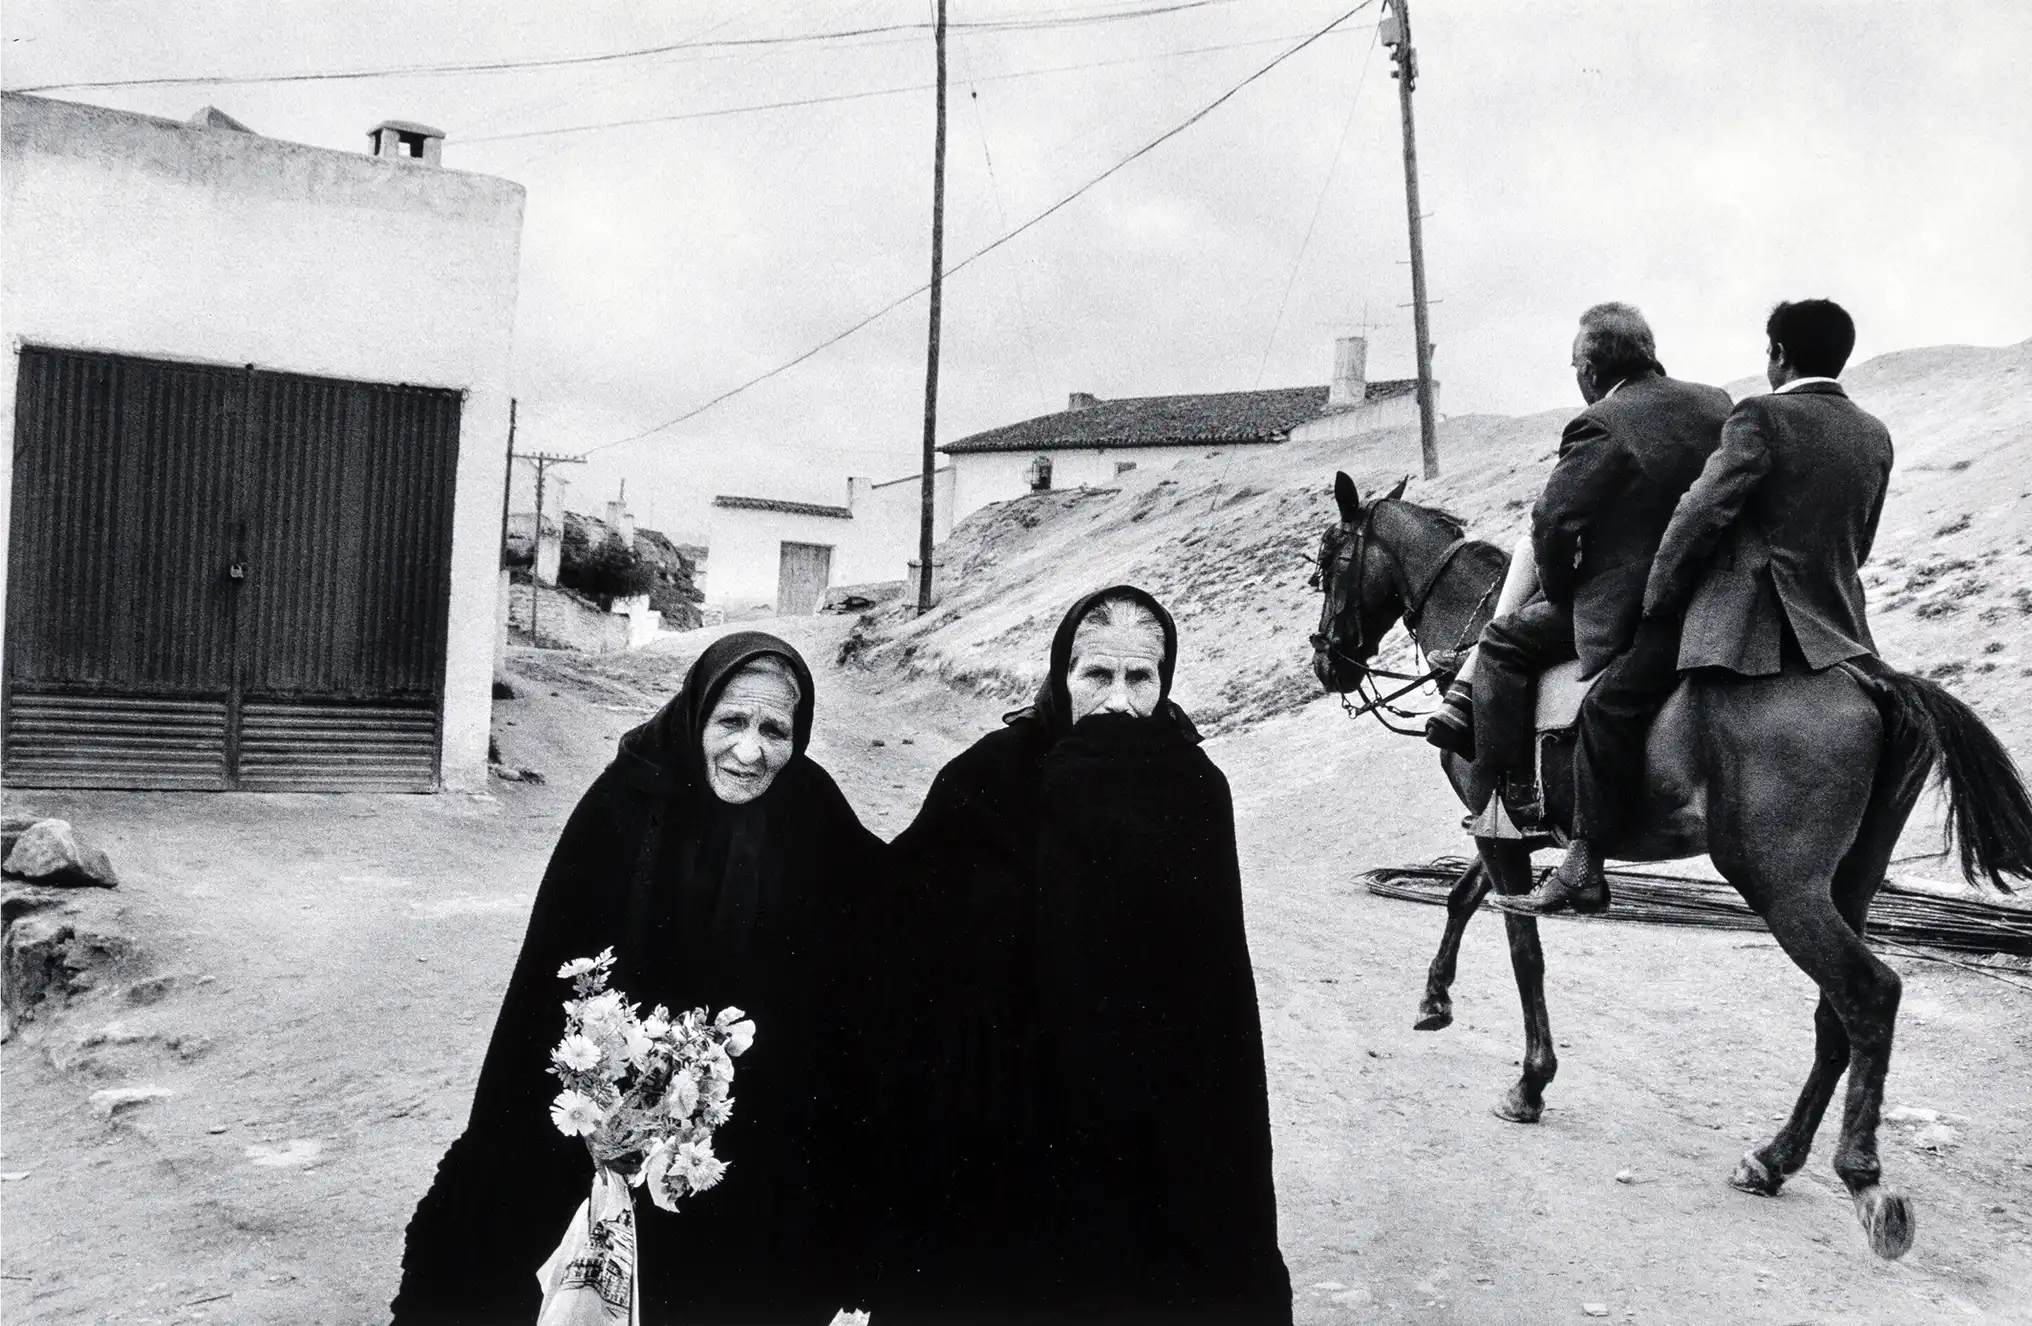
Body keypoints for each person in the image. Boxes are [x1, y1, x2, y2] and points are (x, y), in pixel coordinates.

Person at [390, 632, 883, 1326]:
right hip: (603, 1124)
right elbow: (552, 983)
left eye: (776, 730)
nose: (751, 751)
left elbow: (895, 916)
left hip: (742, 1140)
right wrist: (606, 1099)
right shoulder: (625, 802)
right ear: (696, 714)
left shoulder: (812, 812)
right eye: (732, 722)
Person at [871, 586, 1292, 1326]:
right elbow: (902, 928)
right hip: (1011, 1118)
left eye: (1142, 679)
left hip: (1147, 1135)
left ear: (1165, 685)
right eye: (1096, 676)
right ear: (1061, 675)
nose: (1119, 701)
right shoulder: (991, 777)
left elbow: (1217, 1000)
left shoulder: (1195, 790)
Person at [1431, 303, 1732, 915]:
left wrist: (1563, 588)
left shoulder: (1600, 422)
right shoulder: (1715, 403)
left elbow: (1553, 521)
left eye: (1575, 364)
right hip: (1712, 594)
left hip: (1626, 604)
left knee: (1503, 644)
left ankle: (1512, 798)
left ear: (1590, 369)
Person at [1644, 298, 1891, 678]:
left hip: (1749, 630)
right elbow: (1861, 545)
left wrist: (1658, 595)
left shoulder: (1761, 414)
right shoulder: (1874, 432)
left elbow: (1702, 511)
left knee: (1613, 706)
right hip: (1842, 626)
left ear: (1779, 353)